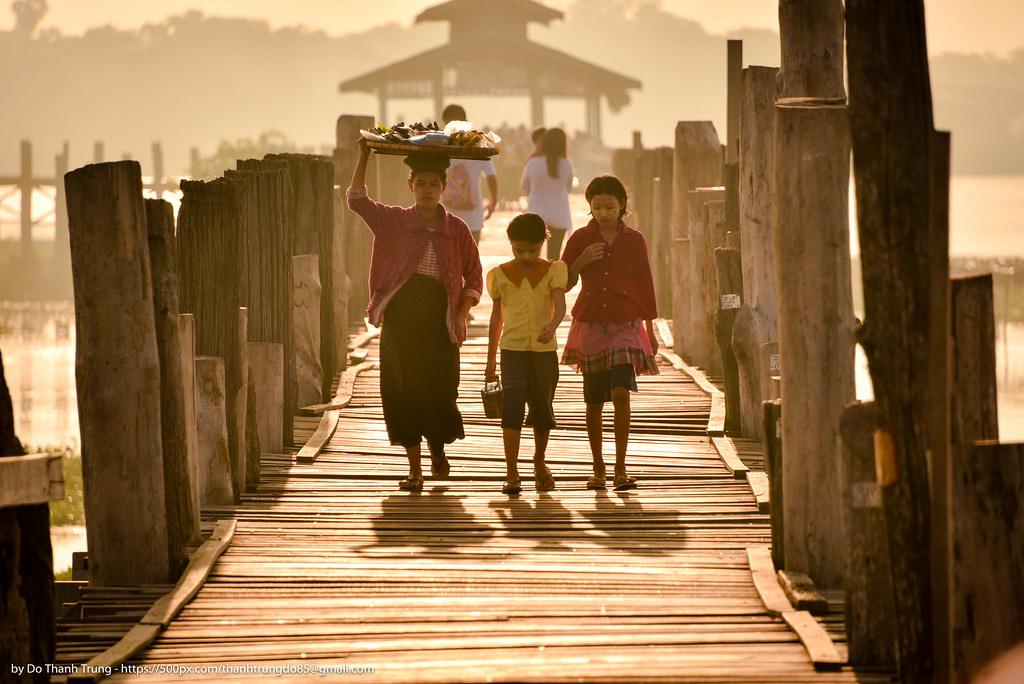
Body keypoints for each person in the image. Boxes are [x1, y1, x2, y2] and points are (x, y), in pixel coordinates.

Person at [347, 138, 483, 492]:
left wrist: (462, 313)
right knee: (404, 390)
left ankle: (437, 451)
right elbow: (356, 200)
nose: (426, 190)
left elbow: (475, 275)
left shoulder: (457, 230)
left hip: (440, 319)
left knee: (438, 390)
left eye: (433, 184)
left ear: (444, 187)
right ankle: (415, 470)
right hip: (402, 318)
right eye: (419, 184)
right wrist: (363, 155)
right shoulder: (393, 221)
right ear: (410, 186)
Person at [560, 174, 659, 491]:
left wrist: (651, 329)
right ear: (589, 206)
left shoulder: (635, 240)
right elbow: (562, 282)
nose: (603, 213)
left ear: (623, 206)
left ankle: (620, 466)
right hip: (590, 323)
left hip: (626, 323)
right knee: (593, 401)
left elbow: (645, 284)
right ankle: (598, 468)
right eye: (597, 206)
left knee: (620, 391)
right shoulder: (578, 238)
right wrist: (580, 261)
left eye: (610, 206)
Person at [485, 212, 567, 495]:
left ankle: (539, 461)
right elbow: (496, 319)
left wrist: (553, 325)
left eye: (533, 250)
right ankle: (511, 470)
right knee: (512, 407)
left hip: (544, 351)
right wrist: (490, 361)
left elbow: (560, 305)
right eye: (520, 250)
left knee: (542, 409)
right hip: (512, 350)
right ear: (510, 244)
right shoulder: (500, 274)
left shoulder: (553, 270)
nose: (527, 256)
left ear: (543, 244)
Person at [441, 103, 498, 243]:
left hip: (446, 215)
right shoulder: (479, 142)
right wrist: (493, 200)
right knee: (470, 260)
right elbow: (491, 176)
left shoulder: (442, 143)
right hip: (473, 218)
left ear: (446, 121)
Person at [520, 127, 574, 260]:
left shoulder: (533, 163)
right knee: (553, 258)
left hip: (535, 215)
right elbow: (569, 189)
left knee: (531, 256)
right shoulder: (567, 164)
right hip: (559, 216)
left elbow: (523, 186)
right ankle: (551, 281)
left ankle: (533, 281)